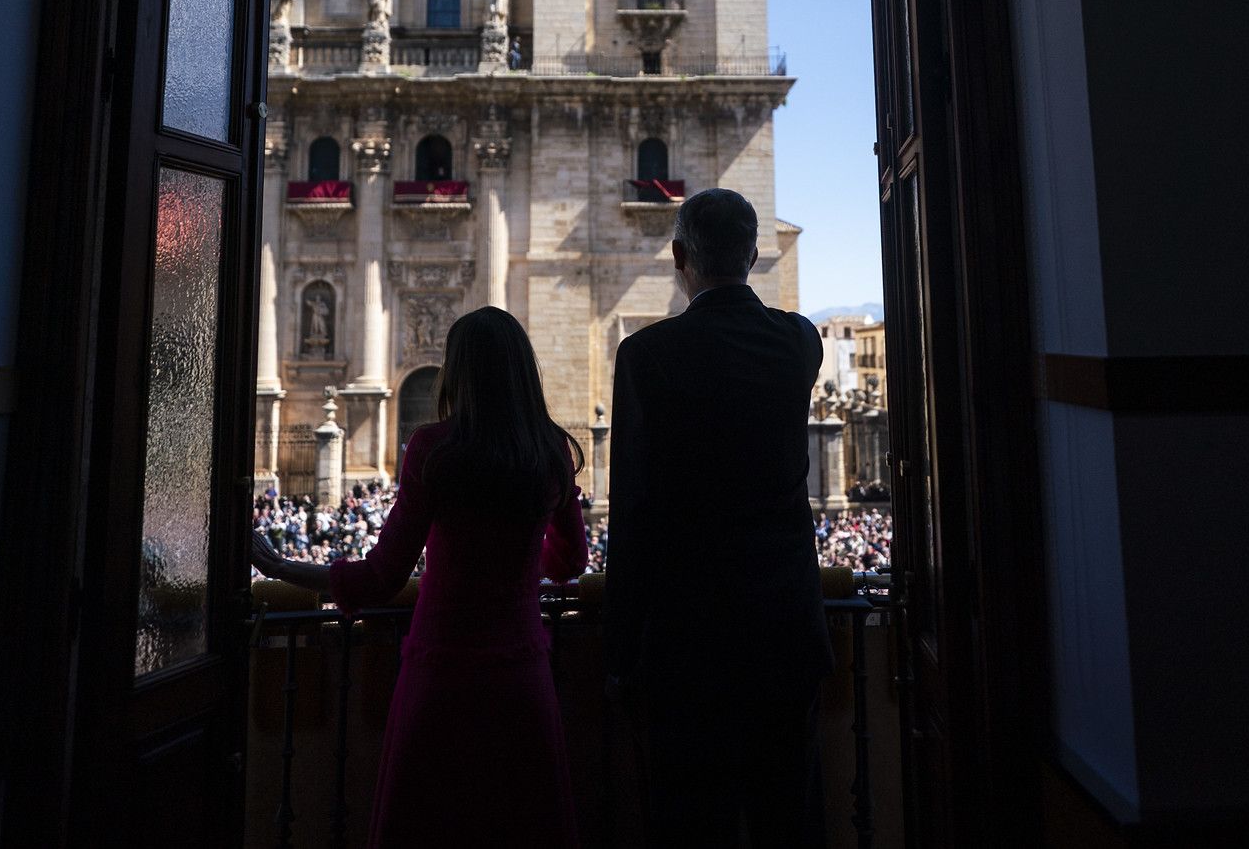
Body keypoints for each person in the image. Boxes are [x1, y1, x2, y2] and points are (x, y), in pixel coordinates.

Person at [252, 307, 587, 849]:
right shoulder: (550, 451)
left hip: (443, 673)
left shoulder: (433, 450)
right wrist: (526, 557)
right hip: (522, 673)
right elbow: (571, 562)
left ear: (456, 373)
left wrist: (278, 566)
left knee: (429, 822)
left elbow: (384, 576)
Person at [604, 187, 831, 846]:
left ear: (678, 256)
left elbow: (634, 512)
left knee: (689, 824)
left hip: (686, 643)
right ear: (756, 254)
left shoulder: (646, 357)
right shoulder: (798, 341)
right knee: (787, 820)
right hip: (785, 633)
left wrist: (620, 654)